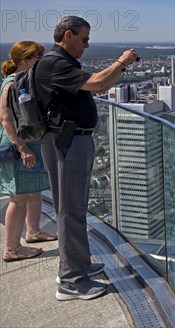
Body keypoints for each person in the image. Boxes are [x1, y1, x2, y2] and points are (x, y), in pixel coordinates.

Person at [35, 16, 137, 301]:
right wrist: (122, 62)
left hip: (70, 141)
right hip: (66, 143)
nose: (87, 45)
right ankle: (70, 281)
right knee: (70, 210)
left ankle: (79, 265)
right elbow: (97, 83)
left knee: (76, 208)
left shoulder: (61, 63)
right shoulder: (55, 63)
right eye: (84, 39)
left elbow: (99, 87)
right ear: (68, 35)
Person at [1, 41, 58, 262]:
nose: (40, 60)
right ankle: (12, 249)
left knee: (33, 191)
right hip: (18, 147)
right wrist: (22, 147)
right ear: (25, 60)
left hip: (28, 143)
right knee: (19, 197)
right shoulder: (11, 83)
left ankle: (33, 232)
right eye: (37, 57)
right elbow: (5, 119)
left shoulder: (22, 80)